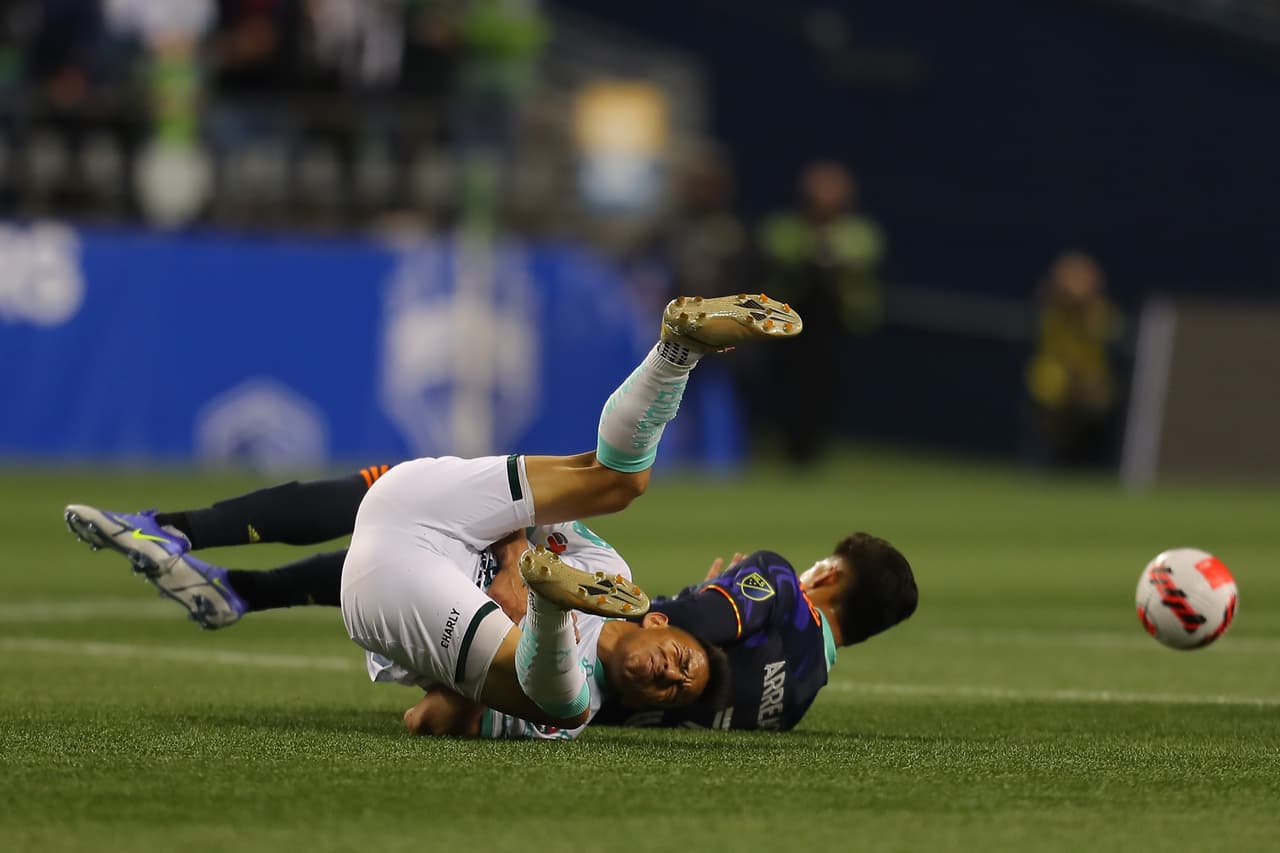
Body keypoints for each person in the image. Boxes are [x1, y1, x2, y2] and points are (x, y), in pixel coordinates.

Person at [67, 293, 802, 737]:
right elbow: (520, 529)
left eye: (674, 690)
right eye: (686, 661)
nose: (674, 677)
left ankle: (205, 557)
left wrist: (473, 661)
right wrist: (512, 578)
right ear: (654, 617)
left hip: (393, 581)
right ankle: (676, 347)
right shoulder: (613, 572)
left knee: (563, 704)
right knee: (613, 483)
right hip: (419, 530)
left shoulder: (583, 690)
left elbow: (429, 720)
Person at [758, 161, 886, 464]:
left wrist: (829, 252)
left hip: (836, 323)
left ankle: (815, 451)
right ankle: (790, 448)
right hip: (790, 320)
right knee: (789, 387)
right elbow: (779, 253)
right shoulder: (787, 227)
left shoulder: (858, 231)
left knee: (825, 388)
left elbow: (864, 257)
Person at [1024, 252, 1124, 469]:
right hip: (1057, 388)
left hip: (1091, 389)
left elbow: (1110, 345)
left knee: (1098, 398)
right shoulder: (1051, 312)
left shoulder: (1101, 315)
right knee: (1049, 389)